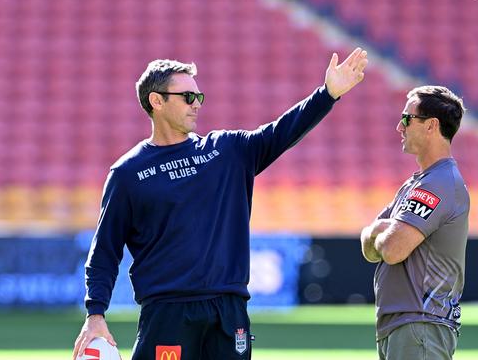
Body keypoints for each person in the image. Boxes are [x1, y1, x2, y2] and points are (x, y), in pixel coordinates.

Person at [72, 48, 368, 360]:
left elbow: (281, 132)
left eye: (199, 97)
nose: (196, 104)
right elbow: (104, 251)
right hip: (167, 314)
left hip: (228, 313)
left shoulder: (226, 151)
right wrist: (95, 314)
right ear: (156, 101)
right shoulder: (128, 173)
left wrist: (328, 94)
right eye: (187, 96)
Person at [360, 86, 469, 360]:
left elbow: (392, 249)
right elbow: (368, 244)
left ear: (432, 125)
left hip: (420, 326)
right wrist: (381, 232)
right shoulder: (417, 183)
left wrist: (382, 231)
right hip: (407, 326)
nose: (399, 126)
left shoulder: (438, 183)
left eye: (407, 118)